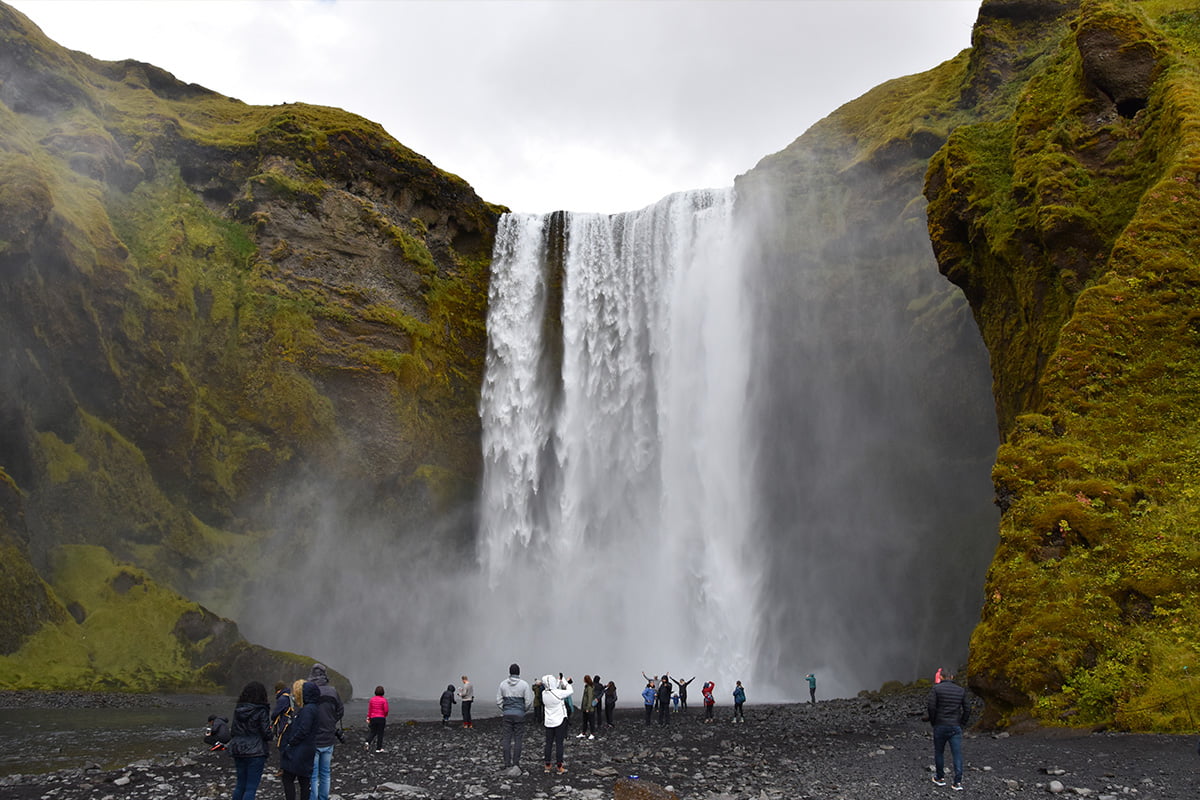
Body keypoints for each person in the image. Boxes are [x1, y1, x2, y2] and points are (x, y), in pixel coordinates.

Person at [927, 667, 970, 791]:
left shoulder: (936, 689)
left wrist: (933, 721)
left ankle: (940, 778)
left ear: (941, 677)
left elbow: (931, 707)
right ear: (952, 677)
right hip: (955, 726)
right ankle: (957, 782)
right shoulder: (960, 690)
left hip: (940, 725)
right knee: (957, 754)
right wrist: (962, 723)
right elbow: (967, 709)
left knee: (939, 752)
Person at [228, 680, 272, 800]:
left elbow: (233, 731)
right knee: (251, 788)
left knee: (240, 785)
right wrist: (271, 735)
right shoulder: (261, 710)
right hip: (256, 750)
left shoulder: (238, 709)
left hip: (238, 748)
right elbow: (266, 732)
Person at [307, 662, 343, 800]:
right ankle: (323, 798)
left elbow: (303, 713)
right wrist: (330, 721)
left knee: (313, 774)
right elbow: (340, 711)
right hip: (329, 737)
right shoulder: (333, 691)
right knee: (326, 773)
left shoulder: (308, 690)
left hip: (313, 738)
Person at [279, 681, 320, 800]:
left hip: (300, 749)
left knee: (288, 777)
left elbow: (304, 729)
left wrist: (291, 742)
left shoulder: (308, 709)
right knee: (304, 780)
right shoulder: (315, 708)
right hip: (308, 748)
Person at [497, 663, 534, 772]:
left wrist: (505, 709)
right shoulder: (524, 685)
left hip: (507, 714)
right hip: (519, 715)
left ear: (510, 672)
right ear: (519, 672)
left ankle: (507, 763)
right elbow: (528, 701)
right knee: (518, 739)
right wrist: (523, 710)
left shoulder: (503, 684)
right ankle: (516, 763)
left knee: (506, 739)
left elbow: (498, 700)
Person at [540, 673, 573, 774]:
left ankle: (547, 765)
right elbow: (570, 691)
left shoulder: (543, 694)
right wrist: (564, 681)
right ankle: (559, 766)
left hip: (549, 722)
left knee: (548, 744)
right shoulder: (558, 693)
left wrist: (558, 681)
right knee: (559, 744)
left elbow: (551, 687)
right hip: (559, 721)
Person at [367, 685, 388, 752]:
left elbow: (370, 709)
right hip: (381, 718)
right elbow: (386, 710)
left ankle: (368, 742)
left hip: (373, 718)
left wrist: (368, 717)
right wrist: (384, 715)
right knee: (380, 733)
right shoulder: (384, 700)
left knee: (373, 731)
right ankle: (378, 748)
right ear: (383, 692)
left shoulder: (371, 700)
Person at [577, 675, 596, 739]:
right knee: (584, 721)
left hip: (589, 709)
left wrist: (588, 708)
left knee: (591, 722)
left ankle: (592, 734)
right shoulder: (587, 687)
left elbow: (590, 698)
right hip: (585, 708)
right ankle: (583, 733)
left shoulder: (589, 687)